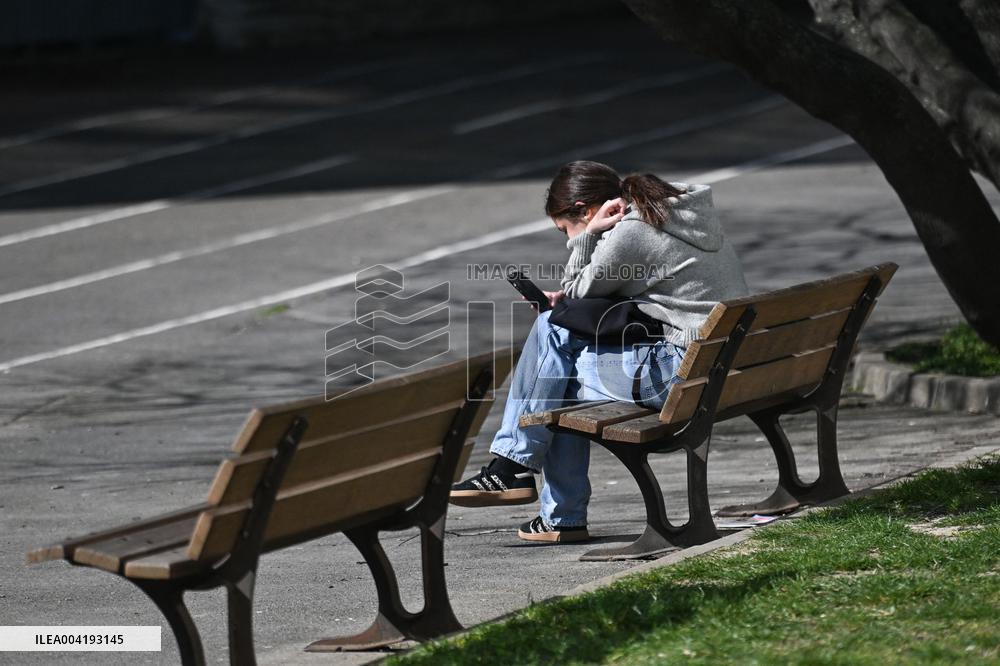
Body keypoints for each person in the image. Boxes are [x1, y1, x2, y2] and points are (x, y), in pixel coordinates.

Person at [450, 160, 749, 543]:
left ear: (584, 210)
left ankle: (523, 477)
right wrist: (571, 298)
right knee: (555, 357)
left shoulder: (632, 231)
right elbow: (605, 295)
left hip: (680, 377)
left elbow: (576, 292)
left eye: (565, 228)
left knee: (554, 361)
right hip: (725, 368)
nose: (567, 236)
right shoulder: (676, 214)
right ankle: (535, 490)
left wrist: (584, 237)